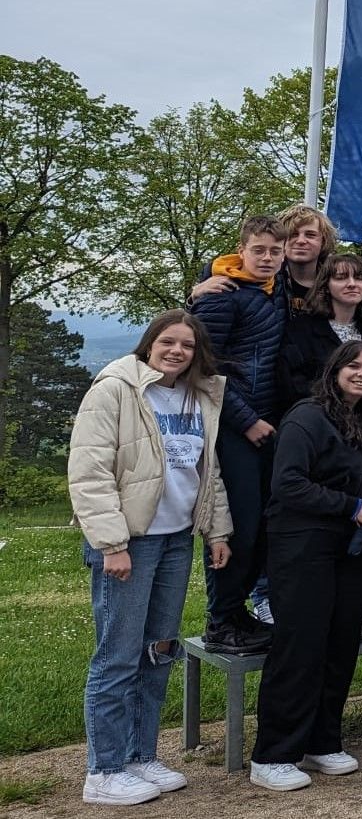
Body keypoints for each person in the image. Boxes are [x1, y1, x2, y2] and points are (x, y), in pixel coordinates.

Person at [69, 311, 233, 806]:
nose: (177, 351)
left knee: (159, 650)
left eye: (187, 344)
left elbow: (208, 468)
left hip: (176, 539)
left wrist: (218, 529)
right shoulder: (116, 388)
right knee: (117, 655)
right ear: (149, 344)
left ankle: (141, 756)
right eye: (168, 342)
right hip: (131, 543)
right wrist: (112, 544)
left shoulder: (199, 395)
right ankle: (104, 770)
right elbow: (89, 469)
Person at [249, 340, 362, 792]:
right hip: (302, 545)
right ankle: (273, 754)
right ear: (334, 369)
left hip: (351, 547)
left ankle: (322, 741)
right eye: (354, 366)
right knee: (300, 646)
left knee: (341, 644)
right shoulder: (307, 416)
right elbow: (288, 483)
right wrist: (350, 504)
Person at [190, 214, 286, 655]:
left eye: (275, 251)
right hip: (234, 426)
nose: (267, 258)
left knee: (262, 527)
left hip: (267, 424)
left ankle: (236, 612)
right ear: (241, 250)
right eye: (259, 250)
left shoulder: (272, 291)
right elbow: (204, 368)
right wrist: (245, 419)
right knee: (234, 526)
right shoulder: (222, 294)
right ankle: (220, 618)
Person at [280, 253, 362, 414]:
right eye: (341, 278)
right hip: (317, 420)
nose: (352, 284)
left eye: (359, 278)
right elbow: (292, 384)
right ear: (326, 285)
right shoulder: (301, 329)